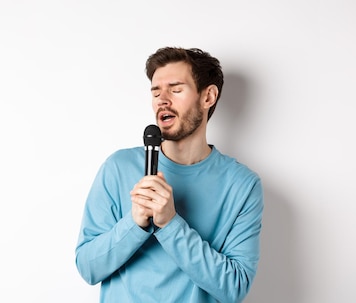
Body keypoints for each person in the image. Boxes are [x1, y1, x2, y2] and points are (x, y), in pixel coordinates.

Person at [75, 47, 264, 303]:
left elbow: (234, 288)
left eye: (175, 90)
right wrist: (135, 222)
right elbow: (88, 268)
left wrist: (170, 224)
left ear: (208, 96)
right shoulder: (118, 167)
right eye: (156, 92)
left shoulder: (242, 185)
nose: (162, 99)